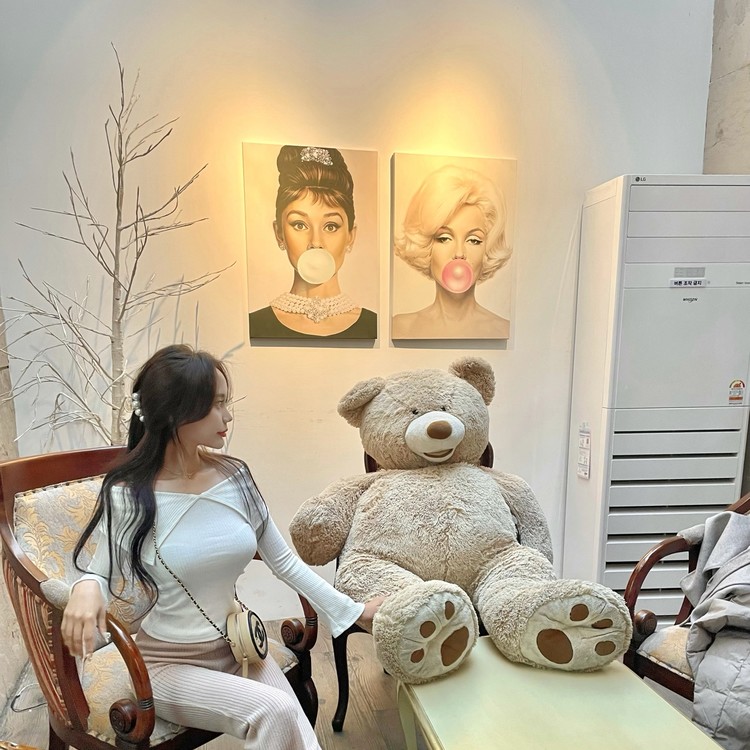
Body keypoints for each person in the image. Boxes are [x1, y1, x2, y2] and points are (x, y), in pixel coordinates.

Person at [61, 344, 383, 750]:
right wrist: (85, 587)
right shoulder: (128, 495)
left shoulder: (235, 476)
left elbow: (283, 562)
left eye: (225, 403)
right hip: (167, 666)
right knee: (275, 711)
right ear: (176, 413)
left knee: (302, 738)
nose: (227, 416)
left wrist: (353, 611)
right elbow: (100, 573)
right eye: (215, 405)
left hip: (239, 645)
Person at [248, 145, 377, 339]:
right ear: (279, 233)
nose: (316, 242)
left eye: (331, 226)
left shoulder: (374, 325)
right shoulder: (256, 324)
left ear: (351, 236)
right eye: (300, 225)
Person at [392, 164, 512, 340]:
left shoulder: (502, 328)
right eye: (444, 238)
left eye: (473, 240)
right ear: (426, 246)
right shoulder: (400, 327)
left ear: (488, 249)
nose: (459, 253)